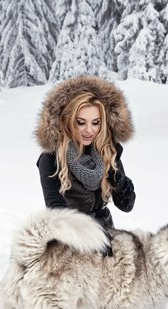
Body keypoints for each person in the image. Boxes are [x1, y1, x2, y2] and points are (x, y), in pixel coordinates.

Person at [35, 76, 136, 230]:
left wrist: (118, 180)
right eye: (81, 122)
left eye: (95, 123)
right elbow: (57, 215)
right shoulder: (51, 159)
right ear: (68, 121)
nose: (89, 130)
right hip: (73, 239)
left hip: (106, 233)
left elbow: (126, 205)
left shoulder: (107, 152)